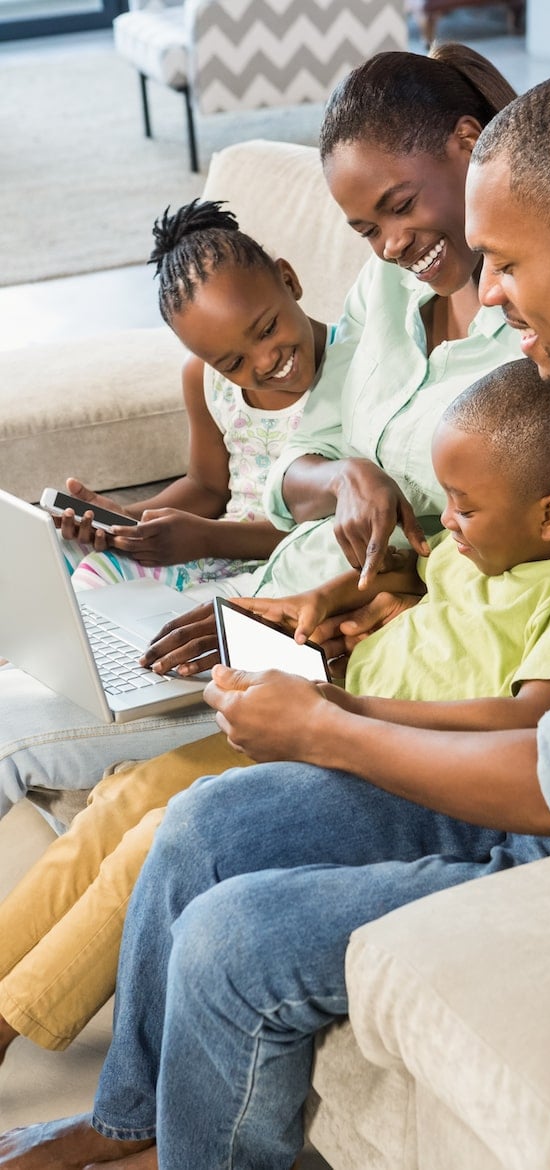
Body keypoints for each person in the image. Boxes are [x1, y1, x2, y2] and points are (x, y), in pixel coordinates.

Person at [3, 65, 550, 1170]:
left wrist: (328, 724)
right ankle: (135, 1128)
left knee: (233, 940)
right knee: (202, 828)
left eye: (506, 263)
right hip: (538, 758)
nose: (491, 294)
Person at [0, 360, 550, 1064]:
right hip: (317, 709)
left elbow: (536, 720)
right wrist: (334, 595)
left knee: (157, 839)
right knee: (124, 795)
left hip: (372, 753)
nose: (451, 523)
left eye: (464, 507)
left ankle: (10, 1021)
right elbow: (416, 568)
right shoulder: (481, 550)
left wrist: (349, 711)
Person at [0, 43, 522, 821]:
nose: (389, 245)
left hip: (311, 637)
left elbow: (480, 549)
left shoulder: (533, 333)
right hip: (257, 608)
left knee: (39, 752)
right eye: (365, 228)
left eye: (399, 207)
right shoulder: (386, 287)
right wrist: (346, 476)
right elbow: (296, 462)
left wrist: (292, 618)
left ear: (469, 142)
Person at [59, 198, 331, 600]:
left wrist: (206, 538)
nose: (266, 360)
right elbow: (206, 486)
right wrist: (125, 519)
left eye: (267, 328)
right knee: (64, 554)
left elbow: (327, 527)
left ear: (288, 281)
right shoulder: (205, 378)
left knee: (94, 582)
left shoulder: (352, 367)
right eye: (233, 361)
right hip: (217, 549)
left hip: (295, 564)